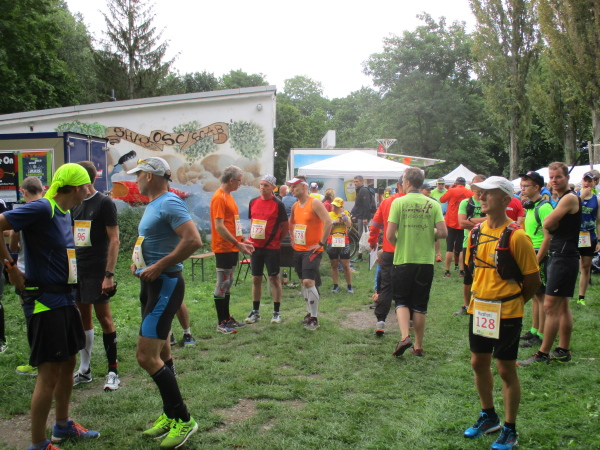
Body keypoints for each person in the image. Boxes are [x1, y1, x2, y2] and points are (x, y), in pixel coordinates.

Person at [0, 163, 100, 450]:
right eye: (87, 185)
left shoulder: (64, 213)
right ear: (77, 187)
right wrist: (10, 267)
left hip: (65, 297)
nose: (90, 190)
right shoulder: (43, 208)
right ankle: (38, 443)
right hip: (44, 302)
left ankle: (63, 426)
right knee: (49, 372)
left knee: (69, 362)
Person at [127, 157, 202, 448]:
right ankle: (170, 414)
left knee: (146, 357)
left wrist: (159, 266)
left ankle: (184, 419)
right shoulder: (154, 203)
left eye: (138, 174)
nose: (135, 179)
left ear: (149, 175)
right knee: (162, 350)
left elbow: (193, 240)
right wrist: (140, 262)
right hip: (151, 285)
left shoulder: (169, 202)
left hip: (165, 285)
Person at [462, 176, 540, 450]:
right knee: (478, 362)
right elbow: (470, 271)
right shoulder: (475, 232)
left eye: (489, 193)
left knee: (505, 368)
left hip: (507, 311)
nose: (481, 197)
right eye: (480, 193)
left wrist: (514, 303)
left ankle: (509, 428)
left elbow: (533, 280)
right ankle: (488, 416)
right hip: (481, 309)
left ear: (506, 199)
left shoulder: (517, 236)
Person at [518, 162, 581, 366]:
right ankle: (563, 350)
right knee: (562, 306)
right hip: (562, 254)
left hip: (563, 256)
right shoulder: (560, 199)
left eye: (558, 177)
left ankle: (543, 353)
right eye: (552, 177)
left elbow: (547, 224)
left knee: (550, 306)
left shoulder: (569, 198)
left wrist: (553, 225)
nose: (554, 180)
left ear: (567, 178)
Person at [71, 161, 121, 392]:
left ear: (86, 180)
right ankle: (85, 370)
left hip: (98, 270)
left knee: (105, 319)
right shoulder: (75, 203)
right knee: (83, 317)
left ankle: (113, 372)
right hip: (78, 270)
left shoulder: (104, 202)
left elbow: (114, 239)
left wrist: (108, 275)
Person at [386, 167, 447, 356]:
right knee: (420, 304)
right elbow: (443, 233)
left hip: (403, 259)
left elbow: (389, 235)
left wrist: (400, 243)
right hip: (425, 261)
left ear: (407, 182)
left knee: (402, 301)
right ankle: (418, 346)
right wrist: (429, 231)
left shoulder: (398, 202)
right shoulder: (433, 204)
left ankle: (405, 336)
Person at [210, 165, 255, 334]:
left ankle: (227, 318)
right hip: (223, 247)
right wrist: (237, 243)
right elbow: (219, 226)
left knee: (228, 283)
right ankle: (221, 322)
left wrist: (242, 239)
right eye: (239, 180)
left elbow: (233, 223)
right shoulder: (219, 197)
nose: (240, 183)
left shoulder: (229, 196)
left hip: (233, 246)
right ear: (231, 180)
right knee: (222, 283)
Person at [288, 177, 332, 330]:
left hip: (312, 250)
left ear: (304, 187)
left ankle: (314, 318)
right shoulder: (295, 206)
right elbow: (292, 222)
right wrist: (292, 237)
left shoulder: (315, 202)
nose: (292, 189)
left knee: (308, 282)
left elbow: (328, 222)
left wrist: (321, 243)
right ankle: (309, 313)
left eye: (295, 186)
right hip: (298, 249)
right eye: (290, 187)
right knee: (303, 283)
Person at [10, 177, 44, 376]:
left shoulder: (22, 214)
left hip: (25, 273)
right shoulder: (49, 210)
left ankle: (35, 361)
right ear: (42, 189)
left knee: (31, 318)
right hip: (48, 274)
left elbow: (13, 247)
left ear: (24, 192)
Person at [244, 175, 288, 324]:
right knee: (256, 278)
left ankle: (276, 312)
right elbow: (252, 221)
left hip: (272, 248)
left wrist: (277, 240)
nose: (263, 187)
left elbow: (285, 226)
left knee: (274, 278)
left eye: (266, 185)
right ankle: (255, 311)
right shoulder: (253, 202)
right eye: (261, 184)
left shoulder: (278, 204)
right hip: (255, 247)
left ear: (273, 188)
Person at [518, 171, 553, 349]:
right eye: (522, 186)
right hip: (532, 252)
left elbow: (548, 237)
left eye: (526, 186)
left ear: (537, 187)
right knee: (535, 295)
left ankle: (541, 334)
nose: (522, 189)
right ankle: (534, 329)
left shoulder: (544, 208)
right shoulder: (531, 206)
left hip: (540, 254)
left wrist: (537, 260)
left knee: (542, 297)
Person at [368, 177, 405, 336]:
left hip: (390, 250)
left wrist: (372, 241)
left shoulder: (387, 202)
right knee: (407, 285)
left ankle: (381, 320)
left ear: (397, 185)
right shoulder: (417, 202)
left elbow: (375, 224)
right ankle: (409, 319)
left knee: (386, 286)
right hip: (409, 252)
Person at [454, 175, 487, 316]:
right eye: (474, 186)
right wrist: (484, 221)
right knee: (468, 276)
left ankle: (482, 304)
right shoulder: (465, 203)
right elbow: (462, 223)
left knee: (484, 275)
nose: (477, 189)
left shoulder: (489, 201)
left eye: (480, 185)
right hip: (469, 243)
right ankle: (466, 306)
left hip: (486, 243)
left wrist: (471, 220)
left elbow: (492, 220)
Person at [440, 177, 473, 277]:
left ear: (456, 183)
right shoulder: (469, 192)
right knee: (462, 248)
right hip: (463, 222)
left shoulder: (452, 190)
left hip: (451, 222)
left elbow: (442, 199)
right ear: (464, 183)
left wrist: (451, 189)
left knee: (449, 248)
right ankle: (462, 271)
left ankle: (447, 271)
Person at [576, 171, 600, 305]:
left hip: (589, 236)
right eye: (585, 180)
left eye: (589, 181)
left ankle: (581, 297)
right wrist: (582, 196)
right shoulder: (574, 196)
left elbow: (598, 222)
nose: (586, 183)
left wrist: (599, 240)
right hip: (573, 236)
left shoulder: (597, 200)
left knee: (585, 267)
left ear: (594, 183)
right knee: (570, 266)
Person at [327, 198, 354, 294]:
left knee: (346, 265)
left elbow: (349, 225)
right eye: (334, 205)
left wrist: (343, 216)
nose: (334, 208)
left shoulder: (345, 213)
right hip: (332, 240)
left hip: (344, 240)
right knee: (334, 264)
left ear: (341, 207)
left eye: (337, 206)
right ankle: (335, 286)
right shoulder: (329, 214)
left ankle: (349, 286)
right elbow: (327, 227)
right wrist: (335, 221)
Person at [350, 175, 372, 262]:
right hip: (360, 216)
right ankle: (362, 255)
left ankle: (360, 257)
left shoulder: (364, 190)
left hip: (363, 217)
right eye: (354, 182)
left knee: (362, 236)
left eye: (357, 181)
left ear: (361, 182)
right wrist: (354, 214)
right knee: (361, 236)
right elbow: (358, 205)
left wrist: (365, 217)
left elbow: (366, 205)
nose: (355, 183)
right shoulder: (359, 190)